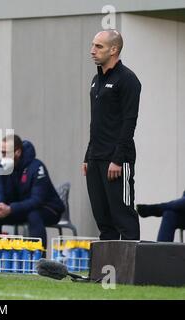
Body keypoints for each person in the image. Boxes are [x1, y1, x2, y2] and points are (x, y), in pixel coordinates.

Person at [82, 30, 142, 240]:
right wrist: (87, 156)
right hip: (95, 159)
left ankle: (131, 273)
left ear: (114, 49)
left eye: (99, 46)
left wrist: (117, 159)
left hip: (117, 162)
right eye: (93, 45)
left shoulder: (128, 79)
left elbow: (129, 123)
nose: (92, 51)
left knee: (123, 217)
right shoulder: (95, 80)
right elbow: (96, 123)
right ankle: (107, 272)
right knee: (104, 221)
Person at [0, 134, 65, 248]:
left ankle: (38, 260)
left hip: (48, 209)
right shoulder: (2, 166)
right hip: (21, 209)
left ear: (17, 152)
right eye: (1, 152)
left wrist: (11, 208)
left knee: (34, 214)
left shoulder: (37, 167)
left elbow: (37, 200)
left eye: (5, 153)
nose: (2, 157)